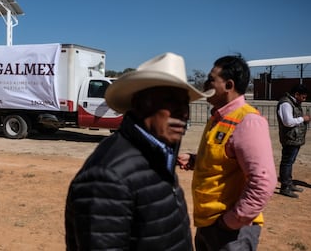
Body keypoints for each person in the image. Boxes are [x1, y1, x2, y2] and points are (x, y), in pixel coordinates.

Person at [65, 52, 214, 250]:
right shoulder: (107, 176)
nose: (183, 112)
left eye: (184, 103)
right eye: (170, 101)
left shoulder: (159, 153)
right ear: (141, 104)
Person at [178, 55, 277, 251]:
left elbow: (263, 181)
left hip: (231, 232)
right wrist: (196, 160)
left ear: (229, 85)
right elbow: (224, 160)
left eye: (211, 79)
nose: (205, 83)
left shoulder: (247, 121)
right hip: (209, 224)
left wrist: (232, 221)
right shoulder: (218, 117)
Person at [277, 84, 311, 198]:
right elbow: (288, 122)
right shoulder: (286, 104)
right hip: (289, 138)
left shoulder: (294, 103)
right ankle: (285, 186)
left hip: (295, 138)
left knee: (290, 162)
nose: (304, 99)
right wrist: (303, 119)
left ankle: (288, 183)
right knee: (287, 162)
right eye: (303, 97)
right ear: (296, 94)